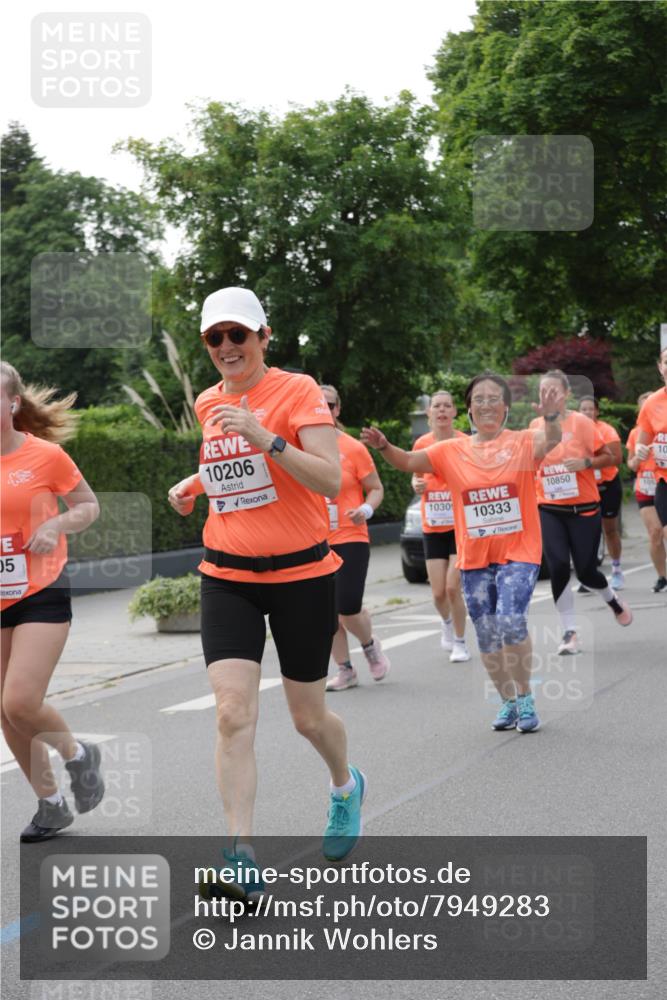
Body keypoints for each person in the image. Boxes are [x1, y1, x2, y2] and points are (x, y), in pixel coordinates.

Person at [167, 287, 365, 889]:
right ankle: (240, 857)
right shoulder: (208, 400)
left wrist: (265, 435)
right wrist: (194, 485)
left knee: (309, 718)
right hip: (227, 576)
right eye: (215, 337)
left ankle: (345, 785)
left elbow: (329, 479)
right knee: (232, 713)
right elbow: (230, 469)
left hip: (303, 575)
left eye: (238, 335)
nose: (227, 346)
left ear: (263, 336)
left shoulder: (298, 391)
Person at [362, 371, 563, 734]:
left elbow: (551, 439)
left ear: (505, 407)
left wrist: (550, 416)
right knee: (486, 632)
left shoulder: (521, 443)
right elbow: (408, 461)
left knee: (510, 620)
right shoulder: (450, 451)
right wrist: (384, 446)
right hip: (475, 558)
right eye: (478, 399)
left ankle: (526, 697)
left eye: (493, 398)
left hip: (519, 551)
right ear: (469, 409)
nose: (486, 405)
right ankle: (508, 702)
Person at [1, 362, 103, 842]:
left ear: (13, 403)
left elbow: (88, 506)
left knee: (20, 700)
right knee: (6, 711)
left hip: (41, 590)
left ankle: (78, 755)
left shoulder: (45, 456)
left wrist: (54, 525)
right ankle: (51, 805)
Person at [530, 370, 632, 656]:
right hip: (549, 507)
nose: (548, 396)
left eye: (554, 391)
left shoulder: (582, 423)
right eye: (543, 391)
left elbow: (611, 457)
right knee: (559, 566)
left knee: (587, 572)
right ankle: (569, 632)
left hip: (584, 508)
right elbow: (532, 460)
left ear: (566, 394)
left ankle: (612, 599)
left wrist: (586, 462)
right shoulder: (535, 424)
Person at [318, 385, 390, 692]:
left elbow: (376, 488)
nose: (324, 410)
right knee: (326, 612)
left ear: (337, 409)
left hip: (350, 535)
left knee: (347, 605)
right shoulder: (299, 448)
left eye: (329, 404)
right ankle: (345, 669)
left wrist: (365, 509)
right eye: (317, 404)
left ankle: (369, 645)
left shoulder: (352, 448)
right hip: (315, 539)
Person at [411, 391, 470, 662]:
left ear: (455, 412)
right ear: (429, 413)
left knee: (452, 588)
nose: (442, 410)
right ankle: (447, 623)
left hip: (459, 527)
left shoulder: (465, 442)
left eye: (447, 406)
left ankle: (460, 642)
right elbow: (415, 476)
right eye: (437, 406)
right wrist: (416, 484)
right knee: (437, 594)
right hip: (433, 525)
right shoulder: (422, 443)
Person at [578, 396, 623, 590]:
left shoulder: (606, 430)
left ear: (597, 411)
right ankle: (590, 576)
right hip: (586, 487)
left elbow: (617, 458)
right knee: (588, 532)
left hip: (608, 484)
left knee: (610, 530)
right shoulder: (573, 432)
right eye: (583, 409)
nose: (587, 412)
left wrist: (592, 460)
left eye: (591, 409)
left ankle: (617, 569)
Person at [627, 392, 666, 592]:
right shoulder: (636, 433)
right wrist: (639, 455)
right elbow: (632, 461)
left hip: (659, 478)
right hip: (650, 483)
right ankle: (662, 576)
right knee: (655, 532)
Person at [636, 346, 667, 551]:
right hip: (664, 480)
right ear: (660, 367)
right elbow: (642, 440)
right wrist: (640, 449)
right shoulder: (652, 402)